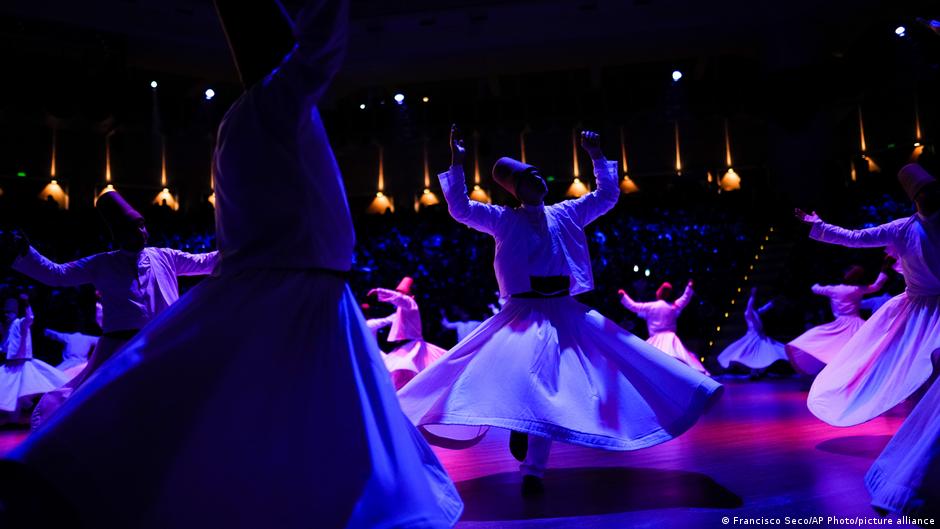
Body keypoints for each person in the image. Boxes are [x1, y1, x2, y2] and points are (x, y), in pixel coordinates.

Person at [0, 1, 462, 527]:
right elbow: (318, 53)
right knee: (284, 414)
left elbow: (219, 245)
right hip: (292, 286)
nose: (141, 230)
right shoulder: (273, 101)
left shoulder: (244, 121)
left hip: (283, 279)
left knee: (244, 413)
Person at [398, 125, 722, 496]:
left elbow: (607, 196)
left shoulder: (566, 212)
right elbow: (460, 208)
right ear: (516, 189)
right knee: (517, 378)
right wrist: (457, 160)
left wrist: (597, 157)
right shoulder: (505, 219)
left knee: (585, 372)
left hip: (564, 310)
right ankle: (524, 442)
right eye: (528, 176)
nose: (538, 178)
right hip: (522, 314)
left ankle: (535, 460)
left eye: (537, 172)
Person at [3, 190, 218, 428]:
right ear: (119, 234)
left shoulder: (164, 256)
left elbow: (206, 262)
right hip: (118, 350)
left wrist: (244, 243)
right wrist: (24, 252)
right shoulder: (102, 263)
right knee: (107, 411)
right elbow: (57, 275)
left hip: (163, 343)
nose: (142, 233)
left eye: (142, 226)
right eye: (134, 228)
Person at [795, 163, 940, 427]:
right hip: (919, 309)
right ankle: (922, 425)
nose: (933, 195)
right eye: (926, 191)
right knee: (917, 367)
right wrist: (820, 226)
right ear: (916, 197)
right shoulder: (901, 228)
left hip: (930, 305)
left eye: (934, 189)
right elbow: (855, 237)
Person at [784, 260, 890, 375]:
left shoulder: (833, 289)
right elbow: (876, 286)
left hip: (841, 323)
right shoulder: (857, 289)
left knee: (835, 346)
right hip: (857, 324)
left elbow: (815, 288)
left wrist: (819, 281)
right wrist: (884, 269)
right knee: (866, 346)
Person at [368, 277, 448, 388]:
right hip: (405, 346)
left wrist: (380, 292)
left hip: (412, 346)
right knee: (400, 374)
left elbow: (401, 299)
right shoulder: (401, 310)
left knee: (404, 371)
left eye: (402, 293)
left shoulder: (410, 303)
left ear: (411, 295)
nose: (399, 295)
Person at [0, 295, 69, 425]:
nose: (6, 315)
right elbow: (5, 346)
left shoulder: (20, 323)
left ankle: (33, 408)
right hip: (11, 365)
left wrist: (26, 303)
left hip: (22, 363)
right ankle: (14, 417)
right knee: (12, 393)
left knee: (23, 390)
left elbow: (30, 318)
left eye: (8, 312)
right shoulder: (9, 327)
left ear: (14, 313)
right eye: (4, 313)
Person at [619, 280, 710, 375]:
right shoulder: (672, 306)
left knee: (651, 361)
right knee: (677, 360)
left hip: (656, 340)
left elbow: (634, 306)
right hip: (670, 339)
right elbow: (685, 298)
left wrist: (624, 297)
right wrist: (688, 288)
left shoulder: (652, 306)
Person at [717, 288, 788, 376]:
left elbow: (764, 308)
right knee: (754, 355)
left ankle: (758, 371)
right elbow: (750, 305)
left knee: (765, 353)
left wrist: (772, 303)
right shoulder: (748, 312)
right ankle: (755, 372)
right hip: (753, 337)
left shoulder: (755, 312)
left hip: (761, 337)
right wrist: (752, 295)